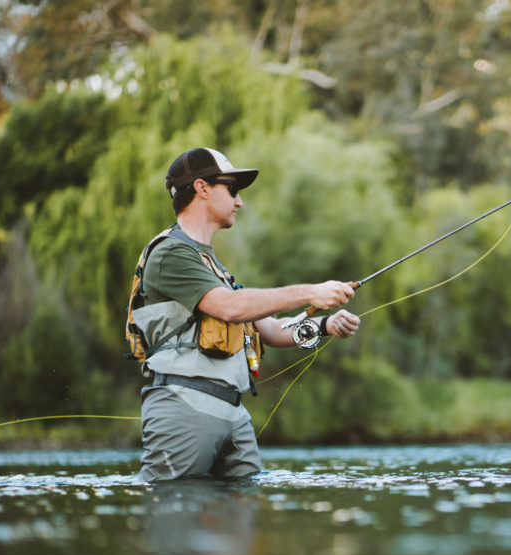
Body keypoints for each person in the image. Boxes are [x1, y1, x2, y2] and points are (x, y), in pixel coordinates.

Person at [129, 147, 360, 482]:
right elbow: (231, 308)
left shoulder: (213, 267)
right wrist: (311, 292)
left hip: (232, 414)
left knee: (243, 519)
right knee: (177, 516)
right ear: (202, 188)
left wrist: (326, 324)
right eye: (232, 189)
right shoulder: (169, 254)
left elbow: (273, 331)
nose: (239, 202)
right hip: (184, 406)